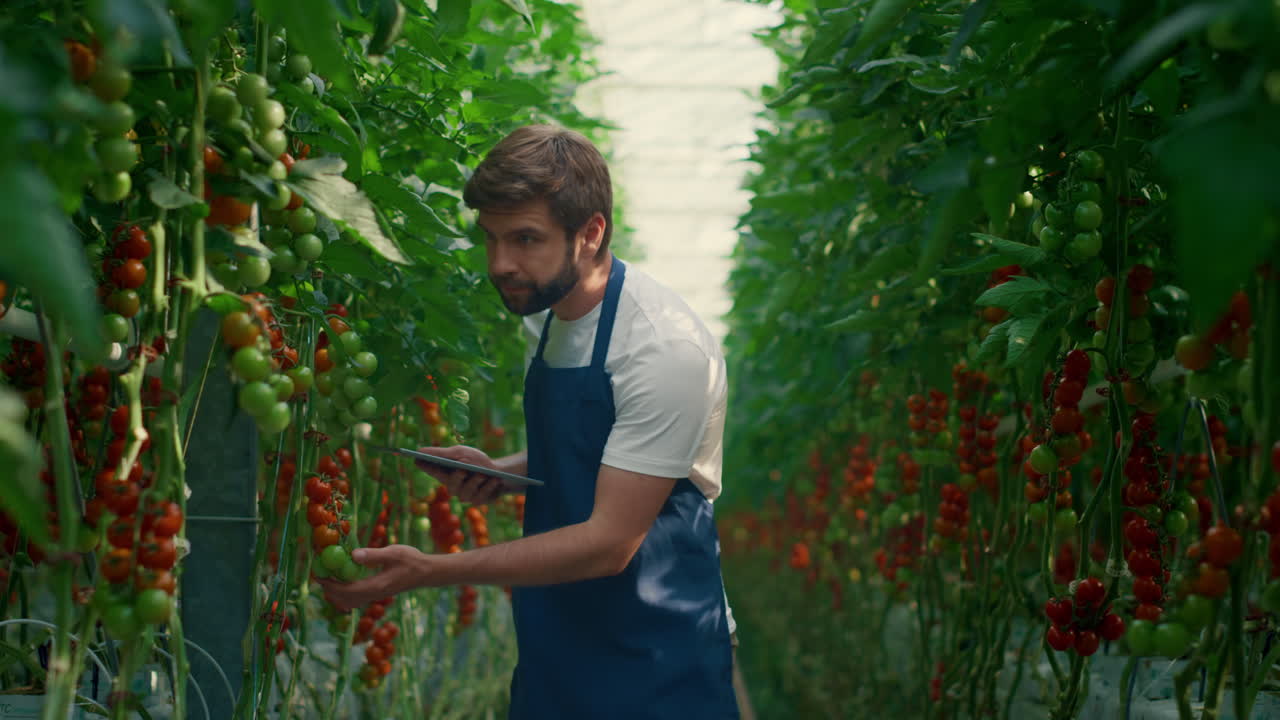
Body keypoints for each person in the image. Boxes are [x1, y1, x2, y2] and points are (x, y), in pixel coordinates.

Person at [318, 124, 740, 719]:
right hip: (555, 636)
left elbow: (609, 544)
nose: (500, 264)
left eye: (524, 239)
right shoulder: (543, 318)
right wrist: (506, 472)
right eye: (490, 239)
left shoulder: (663, 348)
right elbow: (599, 451)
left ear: (591, 233)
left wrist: (427, 571)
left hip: (656, 653)